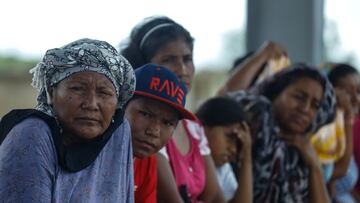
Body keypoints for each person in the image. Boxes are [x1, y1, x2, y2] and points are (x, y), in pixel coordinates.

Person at [0, 38, 135, 202]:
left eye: (104, 93)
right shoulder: (31, 134)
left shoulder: (118, 133)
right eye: (77, 89)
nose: (91, 104)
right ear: (51, 93)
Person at [120, 16, 226, 203]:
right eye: (169, 59)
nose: (182, 70)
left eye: (187, 59)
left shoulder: (192, 127)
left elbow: (216, 197)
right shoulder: (142, 143)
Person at [225, 64, 336, 202]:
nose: (305, 109)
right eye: (299, 97)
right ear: (276, 93)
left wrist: (314, 166)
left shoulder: (301, 152)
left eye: (315, 105)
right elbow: (224, 100)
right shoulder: (255, 119)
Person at [125, 63, 196, 203]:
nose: (154, 131)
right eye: (145, 114)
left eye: (168, 123)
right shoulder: (95, 152)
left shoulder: (147, 160)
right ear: (122, 105)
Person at [196, 97, 252, 203]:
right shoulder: (185, 157)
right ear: (204, 127)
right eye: (229, 137)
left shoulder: (222, 168)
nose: (234, 150)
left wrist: (246, 157)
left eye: (238, 144)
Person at [325, 63, 360, 203]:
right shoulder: (325, 131)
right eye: (347, 91)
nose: (355, 98)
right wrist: (346, 118)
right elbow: (341, 171)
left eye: (358, 91)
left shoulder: (345, 126)